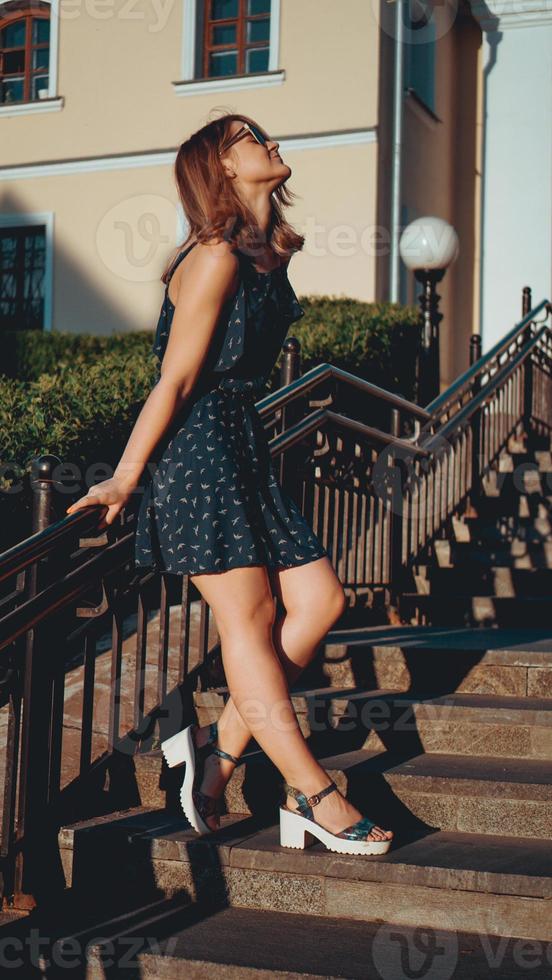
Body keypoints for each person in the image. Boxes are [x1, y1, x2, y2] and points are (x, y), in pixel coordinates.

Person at [66, 113, 393, 857]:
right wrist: (124, 476)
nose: (271, 142)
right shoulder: (213, 256)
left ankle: (214, 755)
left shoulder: (257, 253)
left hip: (242, 444)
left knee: (321, 601)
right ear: (221, 166)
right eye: (251, 136)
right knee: (249, 621)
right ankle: (317, 795)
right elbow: (176, 377)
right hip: (201, 451)